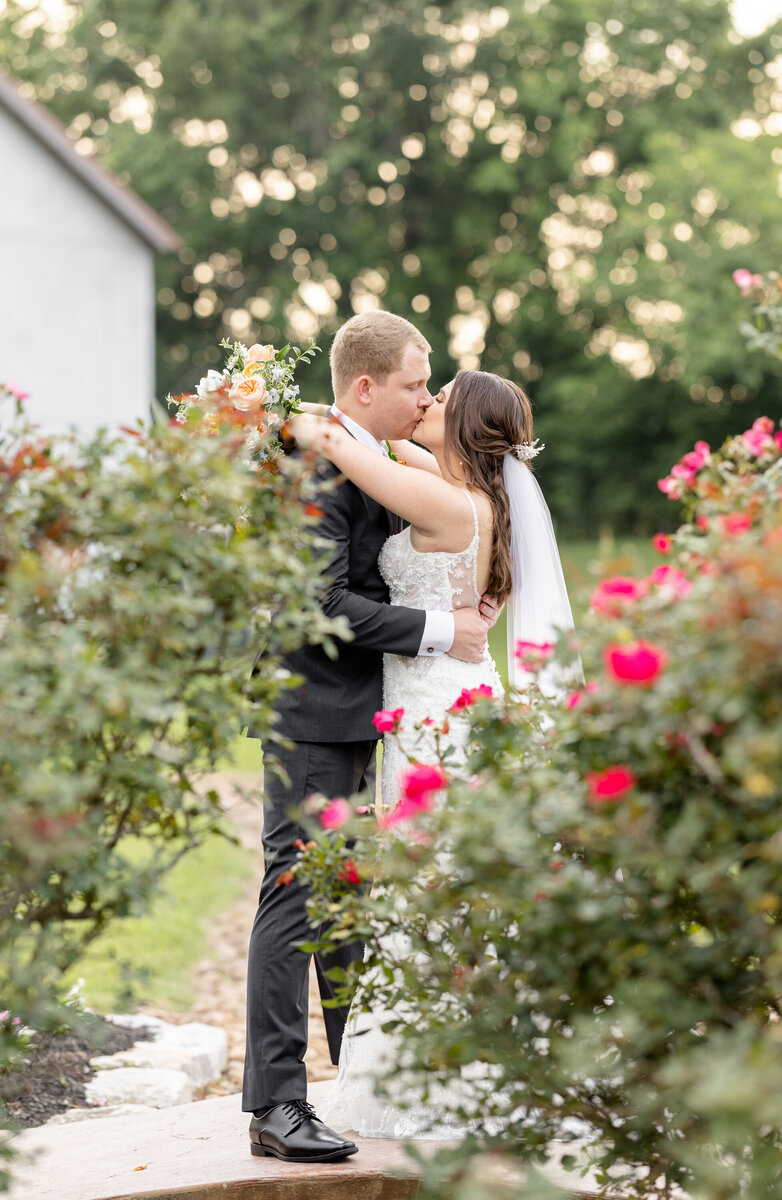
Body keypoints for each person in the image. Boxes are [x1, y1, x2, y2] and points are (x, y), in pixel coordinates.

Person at [291, 367, 575, 1139]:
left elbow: (344, 446)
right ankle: (463, 1069)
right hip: (444, 697)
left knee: (434, 890)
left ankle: (450, 1088)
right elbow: (383, 448)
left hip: (435, 713)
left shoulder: (448, 501)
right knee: (440, 886)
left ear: (464, 424)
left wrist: (275, 402)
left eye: (439, 396)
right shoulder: (461, 489)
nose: (425, 402)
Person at [242, 312, 494, 1163]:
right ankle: (276, 1106)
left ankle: (355, 1082)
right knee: (296, 895)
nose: (427, 396)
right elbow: (311, 607)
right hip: (312, 711)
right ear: (366, 387)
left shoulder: (367, 455)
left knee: (344, 900)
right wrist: (439, 629)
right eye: (417, 383)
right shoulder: (315, 460)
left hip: (365, 716)